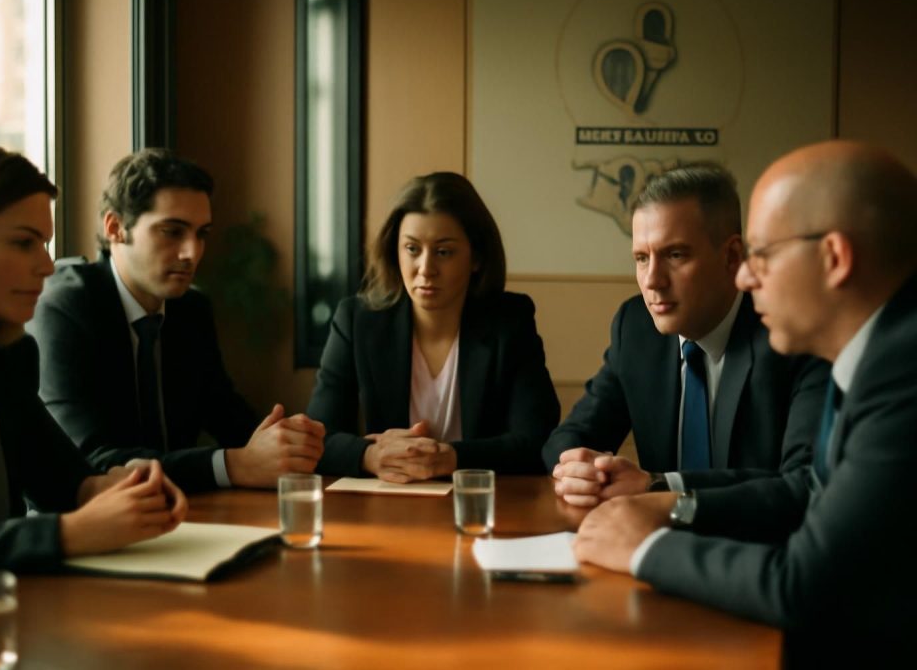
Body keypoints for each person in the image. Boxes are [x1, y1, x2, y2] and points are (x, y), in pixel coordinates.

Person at [574, 141, 917, 660]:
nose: (745, 276)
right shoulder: (872, 355)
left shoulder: (904, 373)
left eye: (762, 254)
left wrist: (644, 545)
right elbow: (808, 495)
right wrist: (669, 503)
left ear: (834, 258)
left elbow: (803, 586)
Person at [0, 145, 187, 620]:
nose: (47, 266)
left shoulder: (5, 358)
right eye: (23, 243)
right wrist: (69, 533)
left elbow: (64, 481)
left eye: (46, 244)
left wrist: (125, 489)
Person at [28, 149, 324, 494]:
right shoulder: (65, 306)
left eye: (201, 234)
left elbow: (234, 421)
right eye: (172, 231)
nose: (192, 252)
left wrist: (301, 443)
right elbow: (90, 460)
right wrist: (233, 465)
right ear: (115, 228)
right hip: (88, 523)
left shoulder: (191, 309)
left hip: (180, 512)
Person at [543, 162, 827, 506]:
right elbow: (570, 436)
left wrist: (660, 485)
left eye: (675, 255)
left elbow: (802, 480)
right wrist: (579, 469)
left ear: (732, 256)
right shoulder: (635, 327)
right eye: (641, 258)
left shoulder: (793, 335)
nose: (652, 280)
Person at [307, 172, 559, 481]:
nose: (425, 269)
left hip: (482, 506)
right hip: (386, 505)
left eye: (443, 252)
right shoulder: (357, 321)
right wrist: (370, 456)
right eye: (412, 249)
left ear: (476, 257)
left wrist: (450, 458)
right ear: (394, 251)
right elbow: (317, 437)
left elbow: (538, 440)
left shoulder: (510, 321)